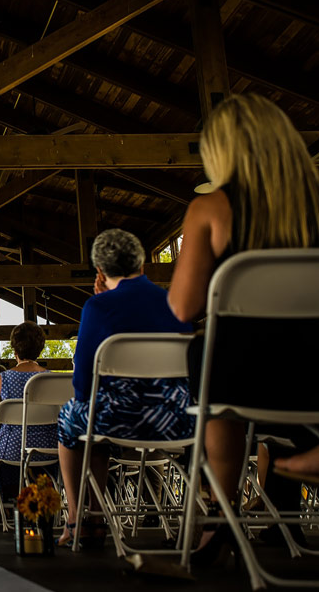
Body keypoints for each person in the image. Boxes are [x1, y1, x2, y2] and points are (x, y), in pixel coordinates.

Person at [167, 93, 319, 556]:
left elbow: (182, 308)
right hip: (311, 372)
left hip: (242, 378)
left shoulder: (211, 209)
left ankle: (221, 510)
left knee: (210, 355)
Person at [57, 229, 193, 547]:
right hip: (179, 420)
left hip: (120, 419)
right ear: (143, 266)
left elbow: (82, 387)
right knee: (93, 418)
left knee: (73, 416)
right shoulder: (174, 302)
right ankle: (93, 515)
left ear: (100, 272)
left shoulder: (99, 307)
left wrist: (100, 301)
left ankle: (81, 518)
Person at [0, 323, 51, 502]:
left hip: (13, 448)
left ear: (15, 349)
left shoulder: (3, 378)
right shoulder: (51, 378)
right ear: (40, 348)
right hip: (49, 447)